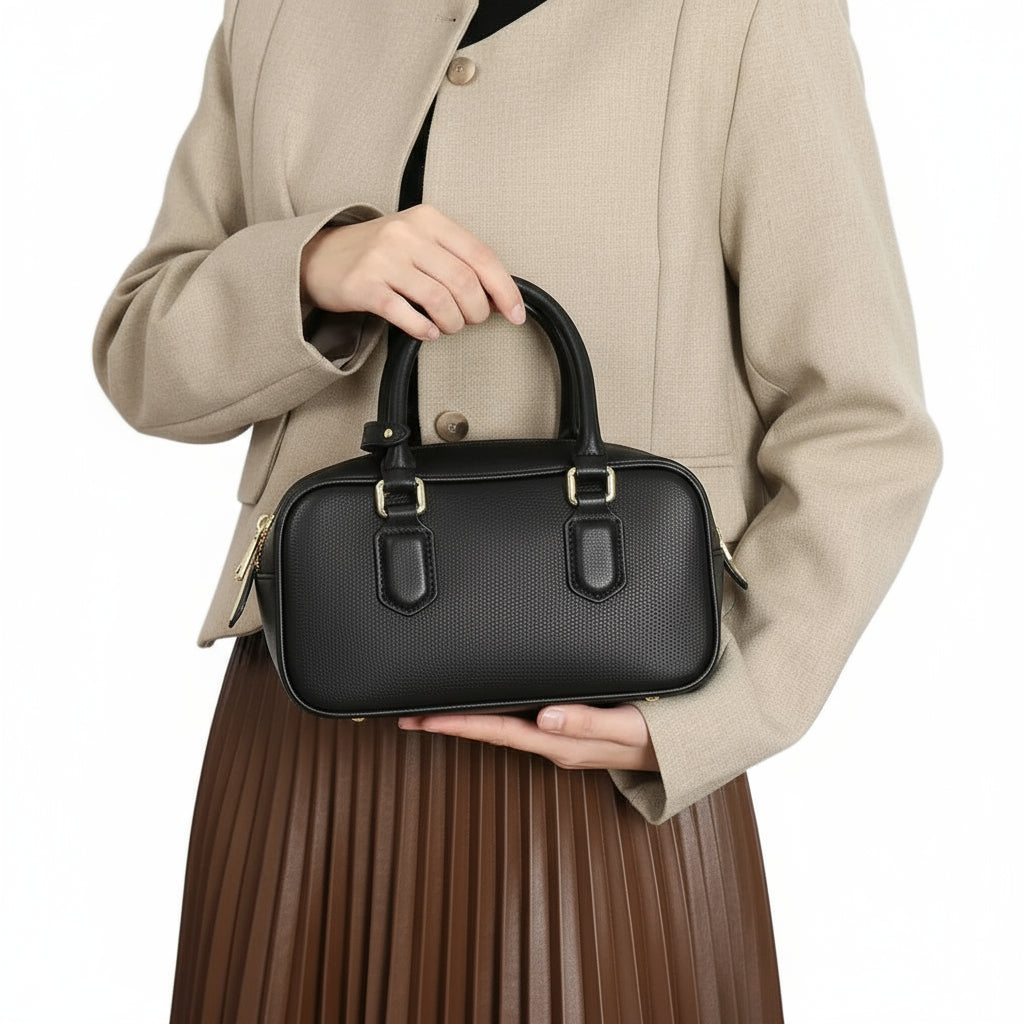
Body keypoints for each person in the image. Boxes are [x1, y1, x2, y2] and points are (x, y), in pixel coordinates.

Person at [92, 0, 941, 1020]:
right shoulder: (283, 13)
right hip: (305, 744)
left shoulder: (741, 16)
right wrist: (313, 269)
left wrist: (724, 710)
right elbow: (142, 357)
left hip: (605, 756)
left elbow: (863, 424)